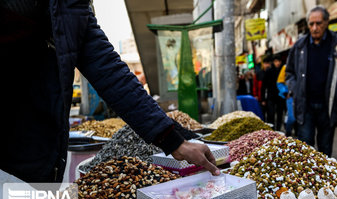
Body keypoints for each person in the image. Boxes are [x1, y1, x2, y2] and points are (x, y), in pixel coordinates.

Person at [0, 1, 219, 183]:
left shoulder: (71, 7)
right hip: (13, 157)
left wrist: (175, 142)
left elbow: (109, 70)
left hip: (38, 160)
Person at [286, 5, 337, 157]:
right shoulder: (300, 45)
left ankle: (324, 180)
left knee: (325, 150)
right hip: (305, 106)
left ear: (326, 22)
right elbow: (289, 73)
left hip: (328, 106)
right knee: (305, 149)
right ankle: (305, 180)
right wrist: (295, 88)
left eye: (318, 23)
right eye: (311, 24)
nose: (315, 27)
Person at [262, 56, 284, 130]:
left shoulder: (283, 70)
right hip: (271, 96)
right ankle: (271, 130)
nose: (277, 63)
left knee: (280, 114)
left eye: (279, 61)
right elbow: (263, 85)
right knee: (270, 114)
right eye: (275, 61)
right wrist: (263, 99)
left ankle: (278, 129)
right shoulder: (269, 71)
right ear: (273, 62)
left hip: (281, 96)